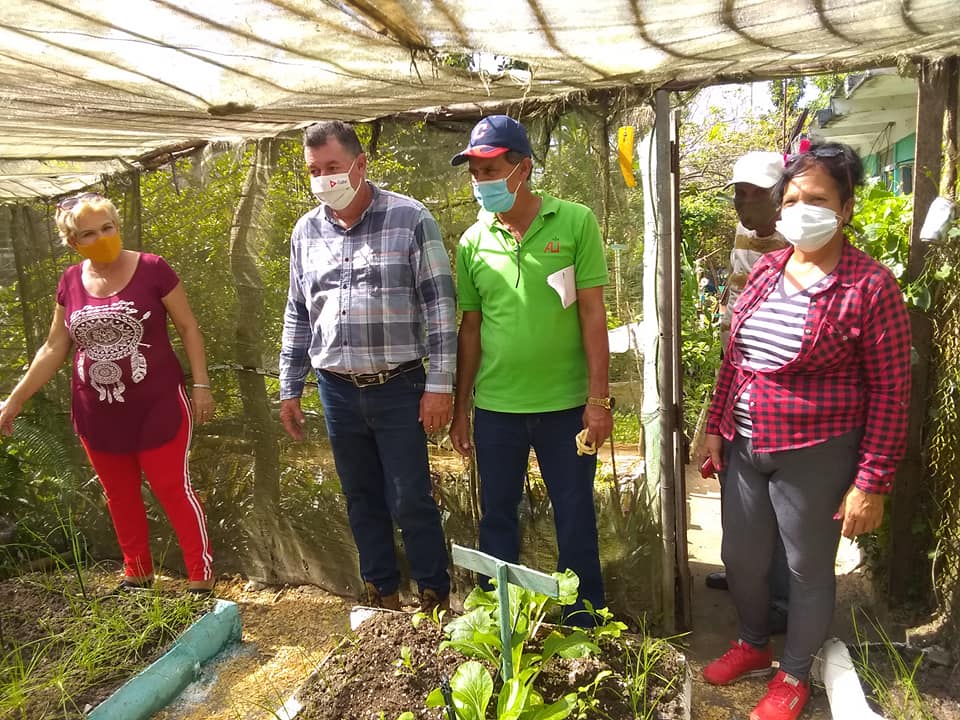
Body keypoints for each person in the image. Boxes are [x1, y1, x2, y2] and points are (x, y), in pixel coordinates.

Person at [700, 142, 911, 720]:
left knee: (806, 568)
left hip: (817, 451)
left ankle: (794, 674)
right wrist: (717, 426)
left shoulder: (871, 287)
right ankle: (751, 643)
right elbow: (735, 357)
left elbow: (893, 392)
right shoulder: (768, 269)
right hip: (746, 442)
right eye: (791, 198)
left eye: (816, 199)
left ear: (845, 208)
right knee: (742, 558)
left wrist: (872, 481)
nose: (799, 210)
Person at [278, 120, 455, 612]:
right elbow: (297, 311)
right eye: (314, 170)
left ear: (360, 165)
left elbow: (440, 307)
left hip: (400, 386)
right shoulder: (305, 231)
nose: (323, 179)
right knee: (360, 496)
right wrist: (289, 386)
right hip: (335, 387)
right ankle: (381, 596)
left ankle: (433, 597)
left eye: (332, 167)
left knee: (411, 497)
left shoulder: (410, 218)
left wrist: (439, 386)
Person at [0, 193, 216, 594]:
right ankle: (137, 575)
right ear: (73, 242)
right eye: (89, 233)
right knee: (119, 494)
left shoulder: (153, 268)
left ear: (117, 227)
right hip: (96, 411)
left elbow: (188, 328)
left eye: (107, 228)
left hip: (159, 405)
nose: (102, 237)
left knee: (172, 487)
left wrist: (200, 385)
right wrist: (14, 400)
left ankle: (200, 580)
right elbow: (53, 348)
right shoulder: (69, 281)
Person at [448, 115, 611, 621]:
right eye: (474, 172)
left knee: (575, 519)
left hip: (566, 408)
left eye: (490, 169)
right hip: (497, 409)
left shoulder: (575, 221)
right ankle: (501, 625)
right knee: (497, 520)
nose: (480, 182)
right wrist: (460, 411)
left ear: (524, 169)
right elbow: (470, 330)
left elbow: (592, 312)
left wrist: (599, 400)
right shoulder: (472, 242)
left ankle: (585, 626)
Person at [706, 151, 790, 635]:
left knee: (776, 503)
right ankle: (744, 577)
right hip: (734, 376)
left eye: (751, 194)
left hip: (772, 393)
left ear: (779, 197)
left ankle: (778, 598)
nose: (741, 202)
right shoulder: (746, 236)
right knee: (733, 483)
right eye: (738, 193)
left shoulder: (794, 242)